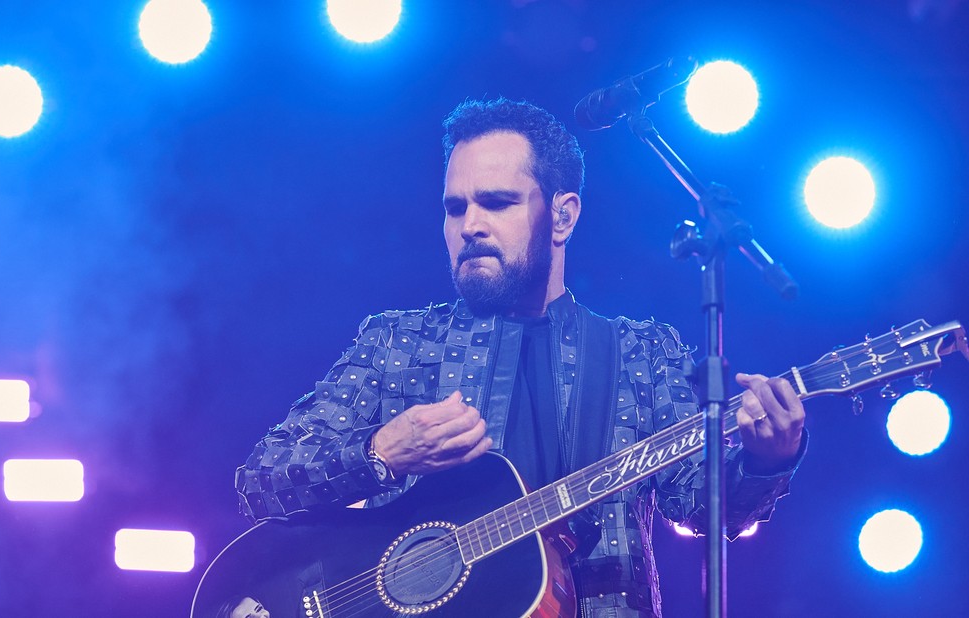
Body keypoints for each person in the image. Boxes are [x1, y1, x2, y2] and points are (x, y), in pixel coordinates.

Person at [235, 97, 806, 617]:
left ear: (563, 216)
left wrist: (766, 459)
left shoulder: (640, 354)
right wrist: (380, 452)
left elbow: (705, 510)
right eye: (455, 208)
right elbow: (262, 480)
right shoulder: (398, 343)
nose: (471, 226)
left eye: (497, 203)